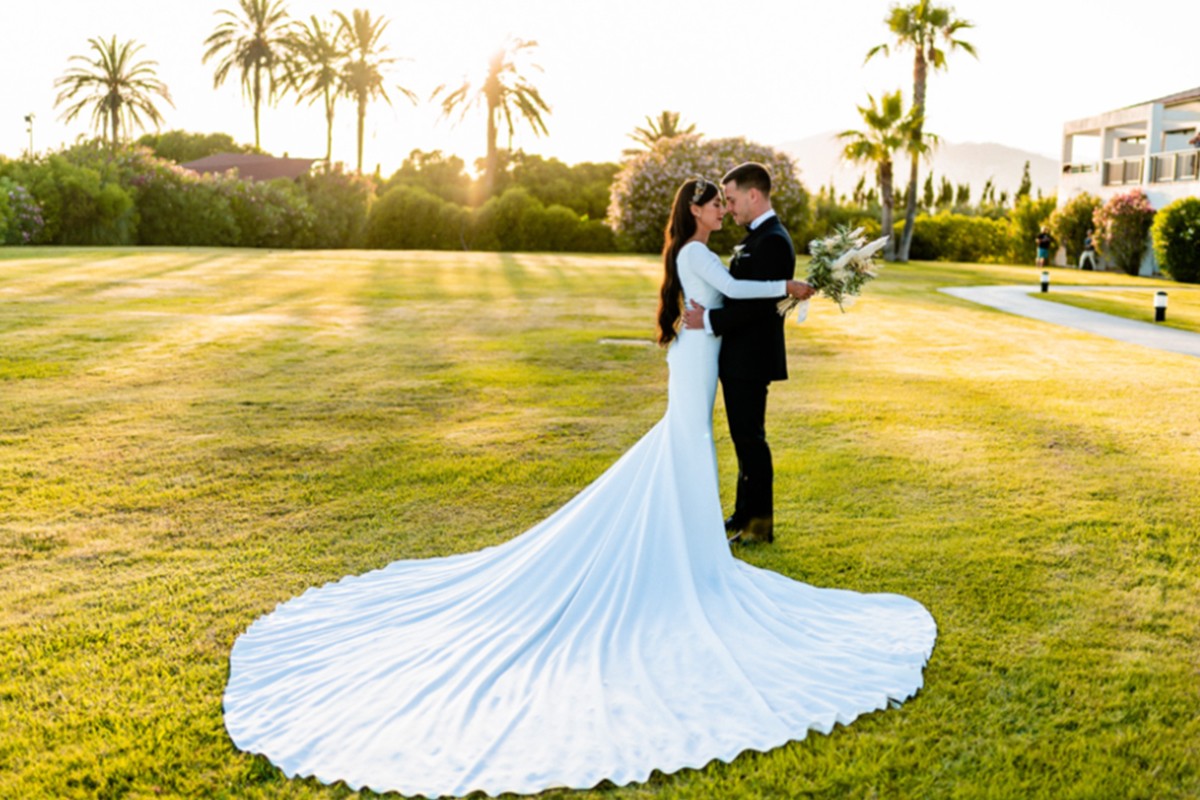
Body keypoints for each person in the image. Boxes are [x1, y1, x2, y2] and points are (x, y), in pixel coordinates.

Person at [221, 178, 936, 798]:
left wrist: (780, 288)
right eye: (715, 202)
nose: (723, 208)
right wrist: (789, 286)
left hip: (696, 351)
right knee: (684, 443)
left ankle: (693, 546)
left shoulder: (694, 253)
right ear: (697, 213)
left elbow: (725, 296)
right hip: (693, 364)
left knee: (687, 449)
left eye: (726, 200)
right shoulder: (694, 253)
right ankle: (687, 556)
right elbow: (735, 290)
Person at [682, 162, 802, 545]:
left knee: (751, 440)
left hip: (752, 357)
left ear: (753, 195)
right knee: (743, 439)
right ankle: (743, 513)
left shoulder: (773, 241)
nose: (729, 208)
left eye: (731, 200)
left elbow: (755, 305)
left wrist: (711, 321)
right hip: (738, 357)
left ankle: (758, 526)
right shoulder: (757, 237)